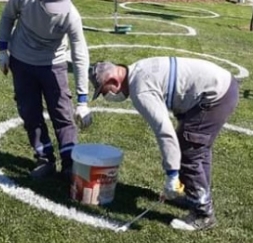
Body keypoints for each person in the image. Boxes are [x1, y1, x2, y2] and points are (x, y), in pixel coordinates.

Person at [88, 57, 240, 231]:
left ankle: (203, 215)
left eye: (104, 90)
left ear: (114, 81)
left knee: (190, 152)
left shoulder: (140, 90)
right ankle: (196, 198)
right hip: (222, 86)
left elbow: (164, 131)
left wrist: (172, 174)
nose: (106, 96)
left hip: (216, 94)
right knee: (194, 148)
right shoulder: (138, 68)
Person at [0, 0, 92, 180]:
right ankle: (44, 158)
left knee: (63, 114)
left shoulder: (71, 16)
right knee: (30, 112)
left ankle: (69, 163)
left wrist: (83, 100)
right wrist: (2, 50)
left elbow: (80, 54)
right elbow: (7, 18)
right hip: (21, 61)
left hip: (54, 64)